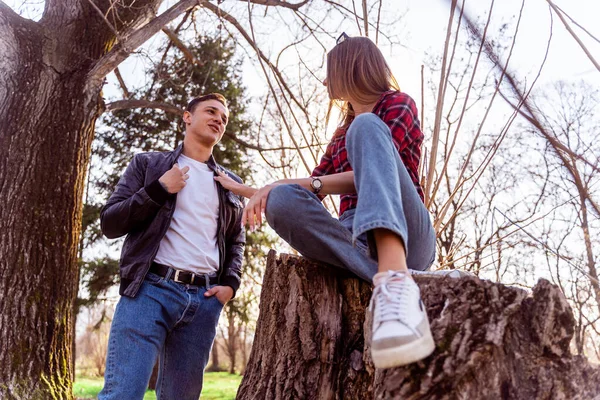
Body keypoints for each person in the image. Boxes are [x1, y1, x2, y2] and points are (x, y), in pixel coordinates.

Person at [215, 34, 436, 369]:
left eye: (330, 71)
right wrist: (256, 190)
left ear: (351, 67)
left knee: (365, 127)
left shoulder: (397, 104)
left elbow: (366, 175)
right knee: (281, 202)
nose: (324, 80)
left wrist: (288, 182)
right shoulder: (339, 135)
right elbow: (309, 189)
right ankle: (375, 272)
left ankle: (397, 284)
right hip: (353, 240)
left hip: (407, 233)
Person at [98, 93, 245, 399]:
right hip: (149, 291)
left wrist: (230, 284)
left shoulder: (230, 182)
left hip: (204, 302)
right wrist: (159, 189)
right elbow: (110, 222)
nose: (219, 118)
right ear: (187, 117)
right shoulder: (148, 165)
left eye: (224, 117)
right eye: (211, 111)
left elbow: (236, 240)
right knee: (122, 393)